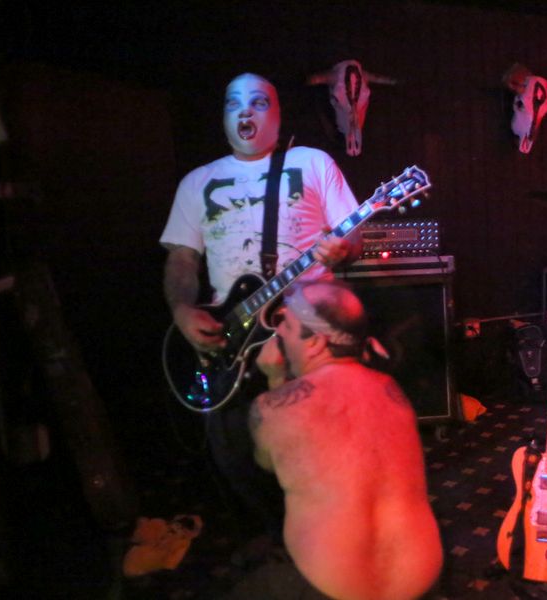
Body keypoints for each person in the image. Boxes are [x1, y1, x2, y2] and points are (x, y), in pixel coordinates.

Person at [160, 72, 362, 534]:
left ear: (277, 114)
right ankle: (274, 534)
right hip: (230, 335)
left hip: (307, 329)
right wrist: (181, 310)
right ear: (224, 117)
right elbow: (182, 259)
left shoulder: (312, 163)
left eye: (258, 102)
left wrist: (343, 249)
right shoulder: (197, 182)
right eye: (234, 103)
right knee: (233, 451)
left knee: (316, 446)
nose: (245, 111)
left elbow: (353, 235)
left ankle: (328, 539)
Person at [225, 280, 442, 600]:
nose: (278, 332)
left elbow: (267, 463)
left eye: (286, 324)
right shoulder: (391, 389)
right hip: (421, 584)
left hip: (335, 592)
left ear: (315, 343)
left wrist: (275, 380)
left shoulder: (271, 408)